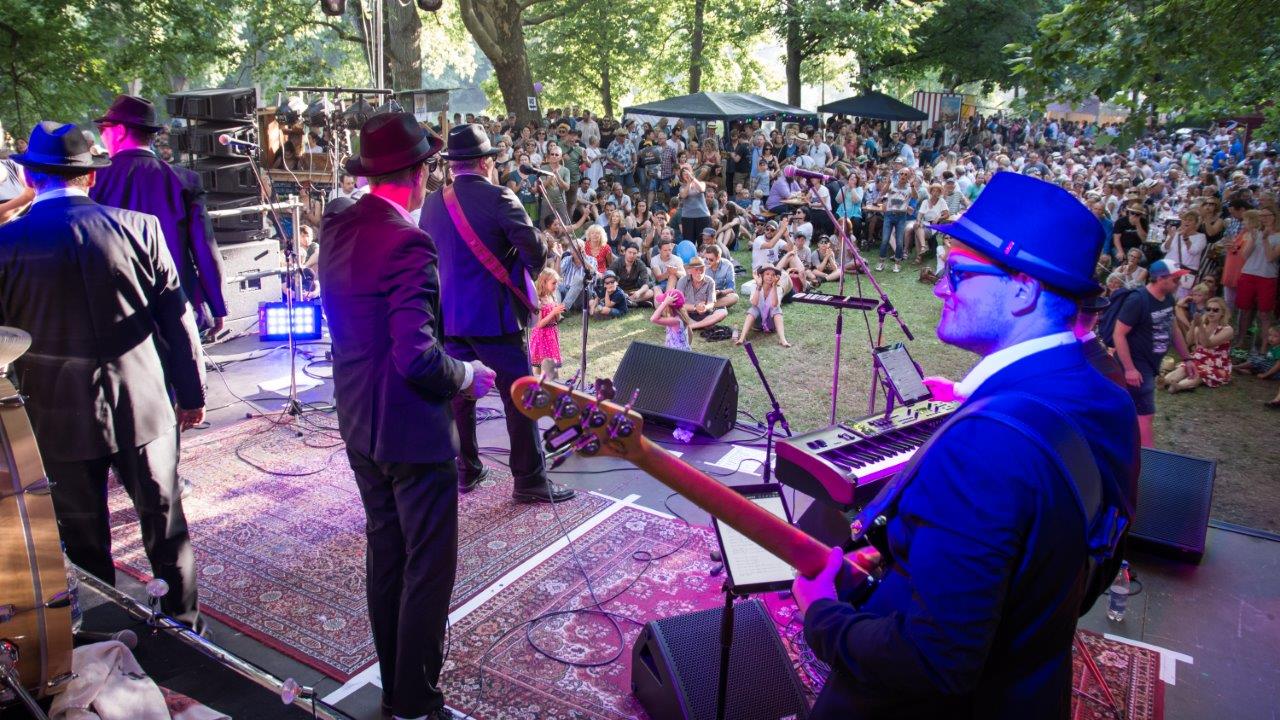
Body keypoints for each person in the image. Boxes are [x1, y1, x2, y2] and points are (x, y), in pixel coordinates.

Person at [791, 172, 1139, 718]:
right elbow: (1093, 563)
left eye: (957, 272)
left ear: (1023, 291)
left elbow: (932, 661)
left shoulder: (985, 446)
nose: (938, 287)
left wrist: (822, 616)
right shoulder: (1107, 399)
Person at [319, 114, 495, 720]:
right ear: (419, 174)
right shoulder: (408, 243)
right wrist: (468, 376)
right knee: (427, 567)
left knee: (386, 555)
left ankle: (395, 692)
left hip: (357, 419)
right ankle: (416, 702)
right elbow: (417, 357)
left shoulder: (337, 223)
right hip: (410, 431)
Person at [0, 122, 207, 629]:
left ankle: (103, 636)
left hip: (55, 416)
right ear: (90, 177)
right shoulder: (140, 228)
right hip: (144, 405)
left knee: (82, 537)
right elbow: (178, 321)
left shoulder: (6, 244)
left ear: (30, 177)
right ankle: (186, 629)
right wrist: (192, 393)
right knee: (166, 526)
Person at [420, 124, 575, 503]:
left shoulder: (433, 203)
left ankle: (466, 469)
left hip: (450, 317)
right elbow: (535, 252)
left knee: (460, 395)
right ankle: (529, 480)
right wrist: (521, 269)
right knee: (519, 397)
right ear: (486, 162)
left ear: (453, 165)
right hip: (495, 317)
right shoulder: (500, 197)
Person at [90, 95, 226, 334]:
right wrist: (217, 306)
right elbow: (204, 248)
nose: (102, 135)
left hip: (117, 309)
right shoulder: (184, 180)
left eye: (104, 129)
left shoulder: (94, 181)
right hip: (178, 304)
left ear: (120, 131)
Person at [1112, 259, 1197, 447]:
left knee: (1128, 411)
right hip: (1136, 365)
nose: (1179, 283)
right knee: (1145, 415)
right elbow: (1118, 334)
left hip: (1150, 365)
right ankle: (1147, 458)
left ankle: (1123, 447)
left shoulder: (1168, 298)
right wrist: (1130, 369)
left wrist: (1187, 358)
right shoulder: (1138, 300)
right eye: (1175, 279)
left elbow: (1173, 329)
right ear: (1160, 279)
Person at [1162, 296, 1233, 392]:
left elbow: (1207, 344)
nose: (1211, 312)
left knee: (1199, 374)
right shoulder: (1202, 325)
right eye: (1208, 309)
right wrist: (1193, 325)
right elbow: (1188, 342)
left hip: (1216, 364)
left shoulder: (1227, 330)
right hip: (1199, 358)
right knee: (1183, 369)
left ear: (1222, 313)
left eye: (1215, 310)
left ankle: (1180, 386)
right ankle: (1164, 381)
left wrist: (1199, 326)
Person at [736, 265, 790, 348]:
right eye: (767, 274)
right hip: (757, 323)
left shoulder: (778, 288)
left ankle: (783, 340)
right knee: (753, 309)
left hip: (771, 324)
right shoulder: (755, 286)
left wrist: (774, 286)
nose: (770, 277)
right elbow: (754, 303)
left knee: (776, 309)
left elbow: (775, 304)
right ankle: (742, 338)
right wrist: (759, 286)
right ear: (761, 276)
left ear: (776, 277)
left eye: (773, 275)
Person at [529, 267, 564, 379]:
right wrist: (553, 312)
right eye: (553, 283)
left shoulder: (552, 297)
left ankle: (551, 384)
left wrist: (557, 312)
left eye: (557, 283)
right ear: (544, 283)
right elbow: (538, 324)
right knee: (540, 366)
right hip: (541, 337)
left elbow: (556, 319)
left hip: (551, 335)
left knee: (551, 366)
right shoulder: (538, 300)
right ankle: (539, 385)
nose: (556, 286)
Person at [676, 256, 726, 330]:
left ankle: (693, 326)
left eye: (701, 269)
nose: (699, 272)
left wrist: (705, 307)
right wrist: (695, 307)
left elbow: (711, 303)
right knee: (677, 310)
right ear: (690, 271)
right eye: (696, 269)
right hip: (687, 312)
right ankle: (704, 324)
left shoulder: (710, 281)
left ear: (705, 269)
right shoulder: (683, 281)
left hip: (704, 313)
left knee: (723, 312)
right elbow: (678, 304)